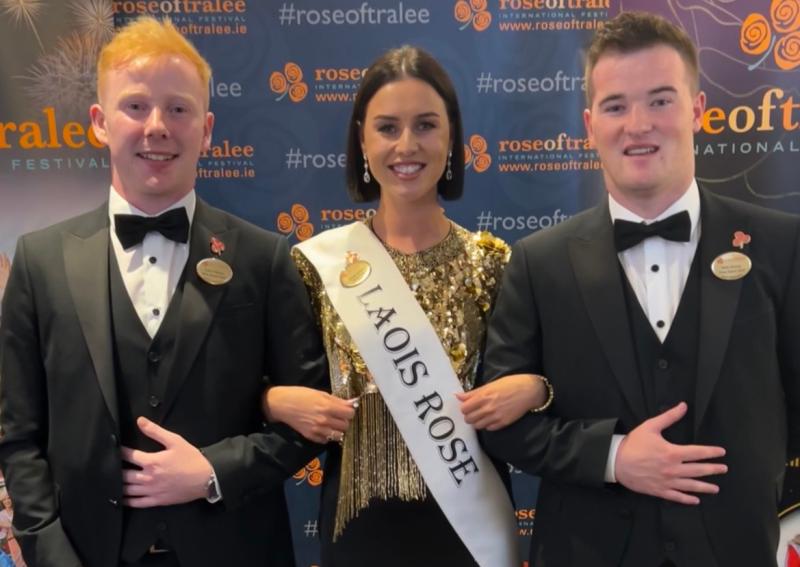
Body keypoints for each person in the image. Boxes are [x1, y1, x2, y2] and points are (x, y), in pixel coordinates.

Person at [0, 16, 327, 567]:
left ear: (207, 129)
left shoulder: (265, 258)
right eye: (135, 106)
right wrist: (52, 556)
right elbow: (18, 435)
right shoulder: (39, 261)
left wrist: (214, 471)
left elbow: (308, 421)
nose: (157, 126)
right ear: (100, 122)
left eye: (178, 109)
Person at [479, 10, 800, 567]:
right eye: (615, 106)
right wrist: (612, 457)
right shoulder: (537, 262)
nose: (638, 124)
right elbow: (500, 426)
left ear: (697, 109)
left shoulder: (782, 245)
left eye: (660, 100)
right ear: (589, 125)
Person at [262, 45, 551, 566]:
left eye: (425, 125)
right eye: (388, 128)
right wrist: (271, 400)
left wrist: (535, 388)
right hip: (357, 531)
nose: (406, 145)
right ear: (362, 140)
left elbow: (548, 386)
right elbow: (266, 390)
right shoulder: (315, 267)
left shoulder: (494, 264)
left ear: (451, 136)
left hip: (470, 533)